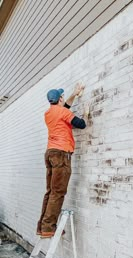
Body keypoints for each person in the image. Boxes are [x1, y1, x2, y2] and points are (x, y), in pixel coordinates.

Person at [36, 83, 89, 238]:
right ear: (59, 99)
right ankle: (48, 228)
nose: (64, 98)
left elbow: (64, 107)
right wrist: (85, 113)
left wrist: (74, 93)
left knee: (51, 191)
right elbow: (81, 124)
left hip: (50, 153)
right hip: (61, 154)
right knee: (58, 192)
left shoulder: (49, 113)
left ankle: (42, 226)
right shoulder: (63, 112)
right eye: (63, 96)